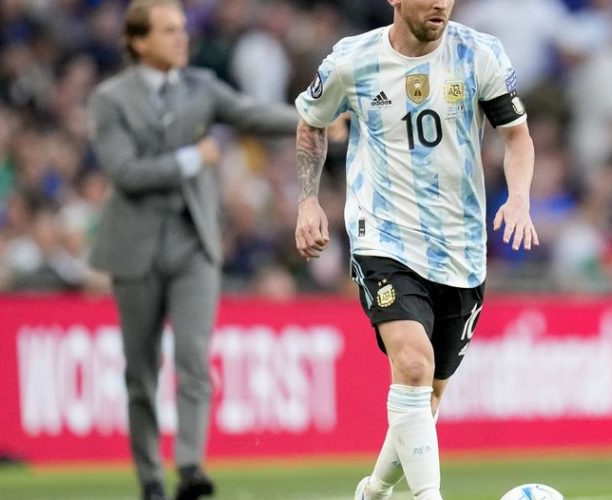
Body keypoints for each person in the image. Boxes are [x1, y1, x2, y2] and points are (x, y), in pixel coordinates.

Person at [291, 1, 536, 499]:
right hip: (384, 236)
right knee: (412, 364)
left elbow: (517, 137)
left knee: (427, 396)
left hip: (460, 248)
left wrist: (519, 198)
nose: (440, 3)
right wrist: (308, 201)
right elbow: (311, 122)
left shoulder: (479, 54)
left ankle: (374, 492)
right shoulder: (352, 61)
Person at [87, 1, 299, 499]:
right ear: (138, 41)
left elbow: (252, 114)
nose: (182, 38)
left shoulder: (201, 86)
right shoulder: (110, 99)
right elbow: (125, 173)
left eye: (182, 29)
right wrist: (191, 159)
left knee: (194, 358)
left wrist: (312, 118)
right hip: (134, 248)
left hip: (193, 245)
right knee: (141, 372)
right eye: (168, 31)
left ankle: (189, 467)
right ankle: (150, 477)